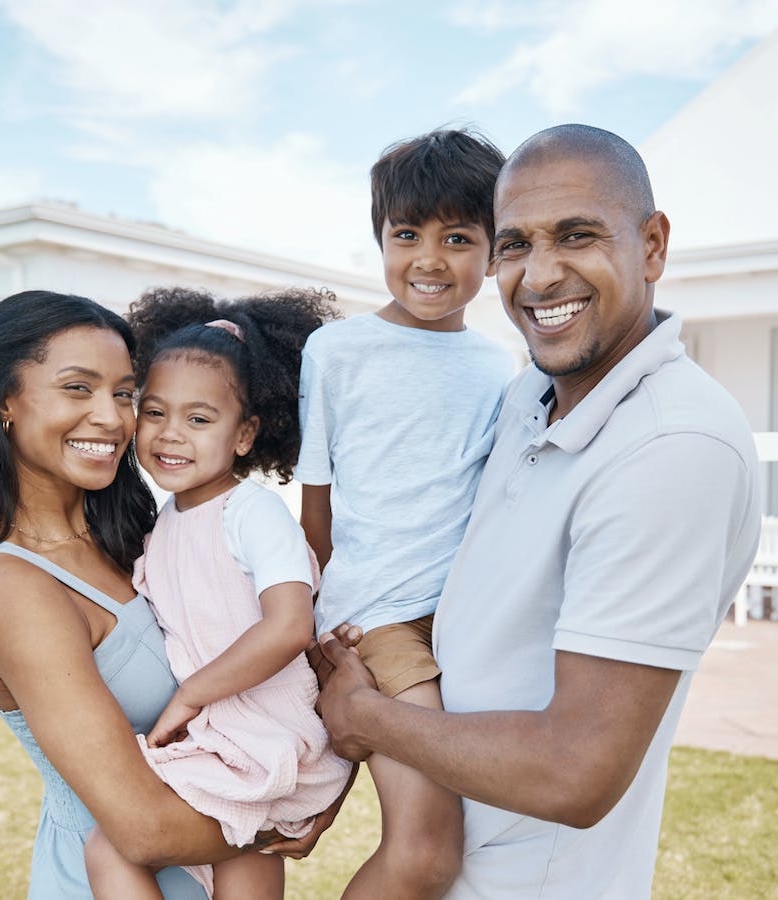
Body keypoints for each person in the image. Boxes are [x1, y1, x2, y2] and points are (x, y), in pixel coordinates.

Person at [314, 124, 762, 898]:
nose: (541, 274)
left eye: (577, 236)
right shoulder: (525, 396)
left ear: (653, 245)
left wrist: (364, 716)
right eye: (516, 244)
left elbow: (574, 772)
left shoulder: (672, 445)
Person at [0, 290, 338, 900]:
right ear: (6, 402)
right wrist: (292, 806)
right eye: (77, 388)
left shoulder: (146, 542)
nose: (112, 419)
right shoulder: (12, 590)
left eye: (124, 394)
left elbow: (290, 657)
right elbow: (142, 832)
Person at [295, 127, 513, 899]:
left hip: (471, 622)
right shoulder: (335, 351)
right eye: (407, 234)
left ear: (493, 251)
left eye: (458, 237)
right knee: (425, 851)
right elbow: (314, 509)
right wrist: (316, 630)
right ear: (379, 238)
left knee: (485, 840)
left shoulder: (502, 366)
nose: (429, 259)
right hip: (380, 621)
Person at [83, 287, 352, 900]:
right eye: (154, 413)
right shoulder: (165, 525)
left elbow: (289, 626)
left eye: (199, 420)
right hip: (225, 739)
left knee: (110, 846)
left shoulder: (252, 512)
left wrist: (190, 698)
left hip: (264, 738)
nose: (171, 435)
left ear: (245, 434)